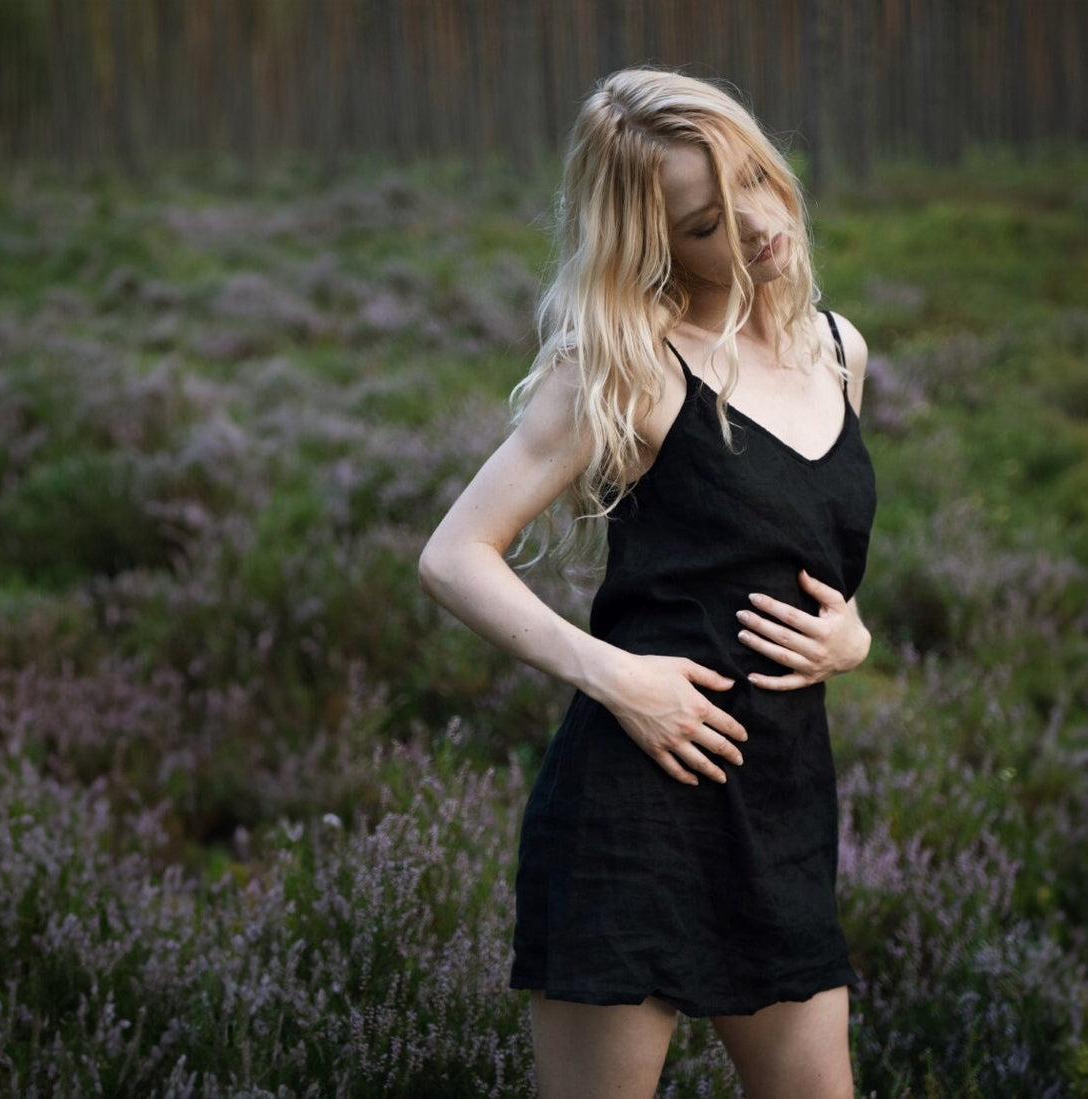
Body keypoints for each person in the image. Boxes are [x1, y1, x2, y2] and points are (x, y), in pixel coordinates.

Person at [419, 68, 876, 1098]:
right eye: (709, 220)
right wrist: (617, 678)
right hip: (631, 814)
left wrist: (854, 640)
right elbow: (452, 554)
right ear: (655, 243)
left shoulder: (838, 351)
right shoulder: (622, 365)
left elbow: (803, 554)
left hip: (783, 806)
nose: (758, 223)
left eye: (756, 176)